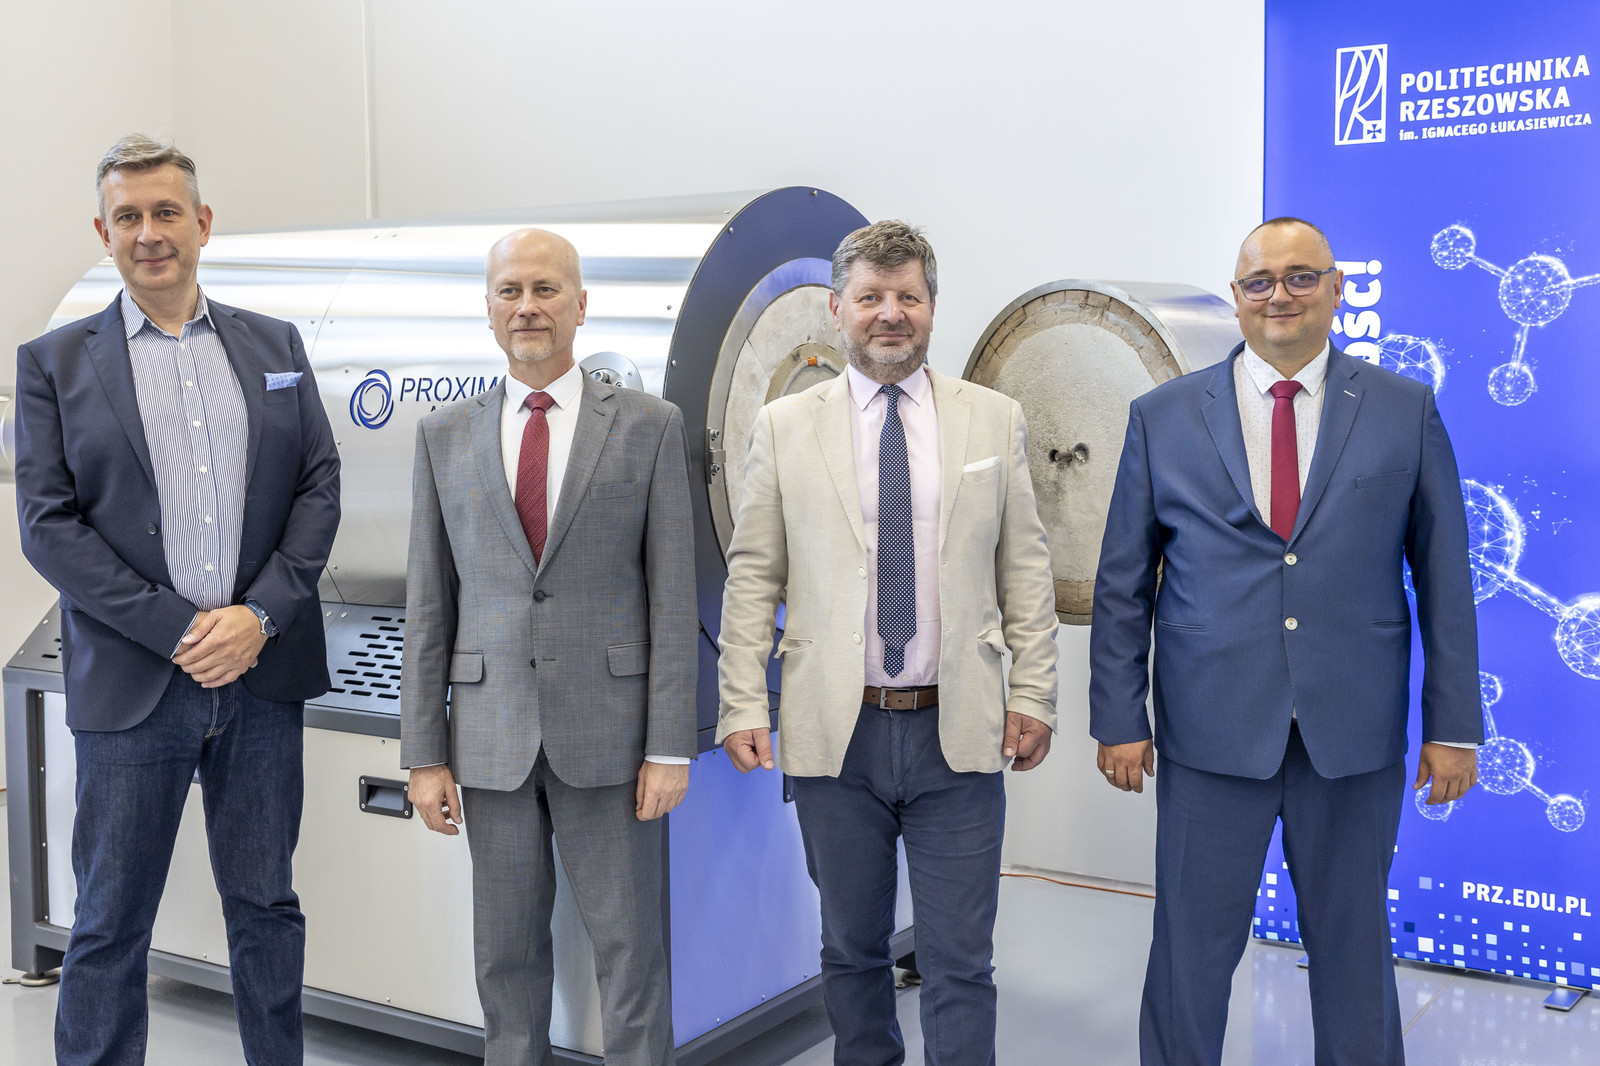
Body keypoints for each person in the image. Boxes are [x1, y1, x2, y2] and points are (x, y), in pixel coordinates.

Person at [1090, 217, 1482, 1065]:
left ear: (1337, 289)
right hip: (1209, 729)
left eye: (1302, 277)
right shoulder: (1162, 416)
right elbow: (1122, 582)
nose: (1281, 295)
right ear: (1236, 298)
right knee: (1190, 954)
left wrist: (1454, 726)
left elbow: (1445, 578)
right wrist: (1119, 716)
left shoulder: (1404, 408)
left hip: (1353, 733)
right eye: (1260, 281)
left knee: (1354, 950)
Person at [13, 135, 341, 1065]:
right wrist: (183, 629)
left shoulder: (275, 344)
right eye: (128, 217)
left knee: (266, 906)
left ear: (202, 223)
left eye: (166, 213)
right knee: (111, 919)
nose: (149, 233)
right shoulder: (53, 364)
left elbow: (318, 484)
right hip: (135, 681)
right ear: (103, 233)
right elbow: (48, 527)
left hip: (261, 678)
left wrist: (258, 616)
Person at [716, 220, 1059, 1065]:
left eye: (908, 296)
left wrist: (1033, 693)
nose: (890, 313)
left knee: (960, 960)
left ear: (932, 307)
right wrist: (740, 701)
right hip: (838, 738)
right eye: (870, 296)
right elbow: (754, 575)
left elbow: (1025, 569)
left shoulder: (993, 420)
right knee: (852, 950)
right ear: (838, 309)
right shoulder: (784, 426)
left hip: (959, 731)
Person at [402, 227, 696, 1066]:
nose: (527, 307)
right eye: (510, 291)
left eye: (545, 289)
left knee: (632, 957)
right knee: (505, 961)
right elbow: (430, 607)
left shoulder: (648, 427)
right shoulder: (444, 435)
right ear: (490, 308)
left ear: (580, 304)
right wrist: (423, 754)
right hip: (489, 742)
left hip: (613, 741)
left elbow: (673, 598)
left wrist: (669, 745)